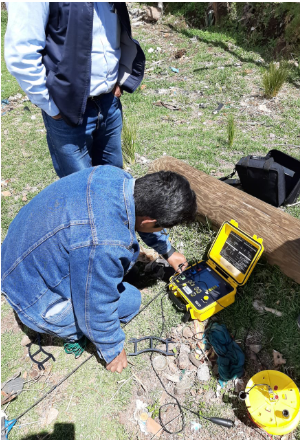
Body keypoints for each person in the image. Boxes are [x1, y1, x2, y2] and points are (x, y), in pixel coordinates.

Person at [1, 167, 197, 373]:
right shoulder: (105, 243)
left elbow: (140, 217)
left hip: (15, 251)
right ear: (149, 222)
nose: (160, 231)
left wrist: (168, 251)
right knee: (130, 300)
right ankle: (56, 318)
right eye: (160, 227)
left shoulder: (115, 177)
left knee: (122, 273)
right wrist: (112, 348)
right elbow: (95, 305)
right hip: (32, 298)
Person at [4, 2, 145, 178]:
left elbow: (112, 29)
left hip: (109, 104)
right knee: (80, 194)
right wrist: (50, 105)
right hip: (67, 110)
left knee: (114, 186)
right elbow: (22, 54)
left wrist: (119, 75)